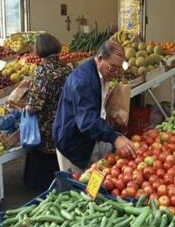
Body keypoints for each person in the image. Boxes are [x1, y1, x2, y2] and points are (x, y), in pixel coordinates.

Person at [53, 40, 136, 175]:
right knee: (77, 187)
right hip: (72, 143)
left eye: (119, 68)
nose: (115, 73)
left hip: (88, 138)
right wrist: (114, 137)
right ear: (99, 59)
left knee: (93, 179)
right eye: (112, 67)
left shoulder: (101, 74)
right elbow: (87, 121)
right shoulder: (83, 81)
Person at [23, 33, 73, 191]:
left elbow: (34, 105)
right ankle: (61, 183)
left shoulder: (42, 72)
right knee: (57, 159)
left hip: (45, 127)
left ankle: (42, 188)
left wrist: (23, 108)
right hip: (64, 122)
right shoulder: (67, 69)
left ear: (39, 49)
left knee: (42, 160)